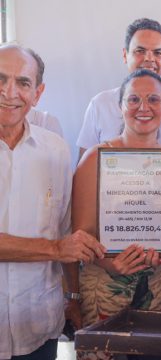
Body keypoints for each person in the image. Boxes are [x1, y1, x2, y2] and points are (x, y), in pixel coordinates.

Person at [0, 45, 106, 359]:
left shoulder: (56, 149)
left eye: (23, 82)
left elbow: (63, 228)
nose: (10, 92)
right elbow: (60, 246)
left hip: (40, 326)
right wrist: (55, 249)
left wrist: (72, 296)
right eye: (1, 79)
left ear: (38, 93)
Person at [73, 69, 161, 333]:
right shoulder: (95, 158)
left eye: (153, 99)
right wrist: (109, 262)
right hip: (105, 284)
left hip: (159, 283)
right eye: (133, 100)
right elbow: (81, 233)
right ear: (120, 107)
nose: (143, 107)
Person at [76, 18, 161, 158]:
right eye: (140, 51)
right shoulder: (100, 104)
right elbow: (84, 163)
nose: (149, 58)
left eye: (158, 53)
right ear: (125, 55)